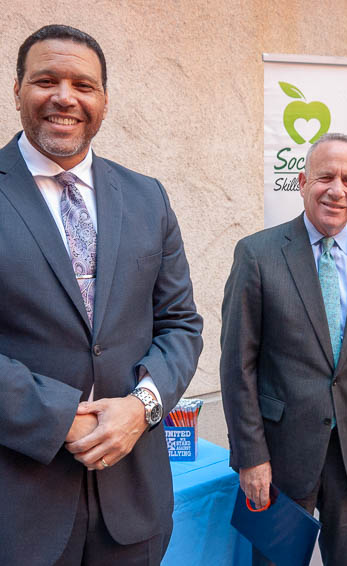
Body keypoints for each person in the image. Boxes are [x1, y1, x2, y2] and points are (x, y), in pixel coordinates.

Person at [0, 25, 203, 566]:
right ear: (17, 89)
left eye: (83, 85)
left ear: (104, 101)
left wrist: (143, 407)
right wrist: (60, 417)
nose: (65, 96)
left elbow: (181, 324)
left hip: (133, 502)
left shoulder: (147, 196)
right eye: (46, 80)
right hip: (18, 504)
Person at [220, 132, 347, 566]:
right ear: (302, 181)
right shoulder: (257, 255)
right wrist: (251, 458)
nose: (335, 190)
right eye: (325, 177)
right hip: (280, 461)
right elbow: (237, 366)